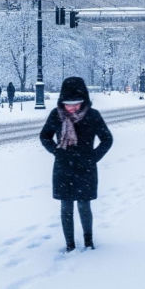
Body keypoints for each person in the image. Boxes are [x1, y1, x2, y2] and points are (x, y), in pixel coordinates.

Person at [39, 76, 113, 252]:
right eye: (68, 104)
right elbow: (44, 136)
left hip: (85, 168)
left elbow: (107, 139)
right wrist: (56, 151)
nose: (72, 108)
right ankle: (70, 244)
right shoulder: (56, 115)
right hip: (63, 168)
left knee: (83, 205)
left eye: (76, 103)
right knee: (66, 207)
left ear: (84, 101)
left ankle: (88, 242)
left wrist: (93, 157)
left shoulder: (93, 116)